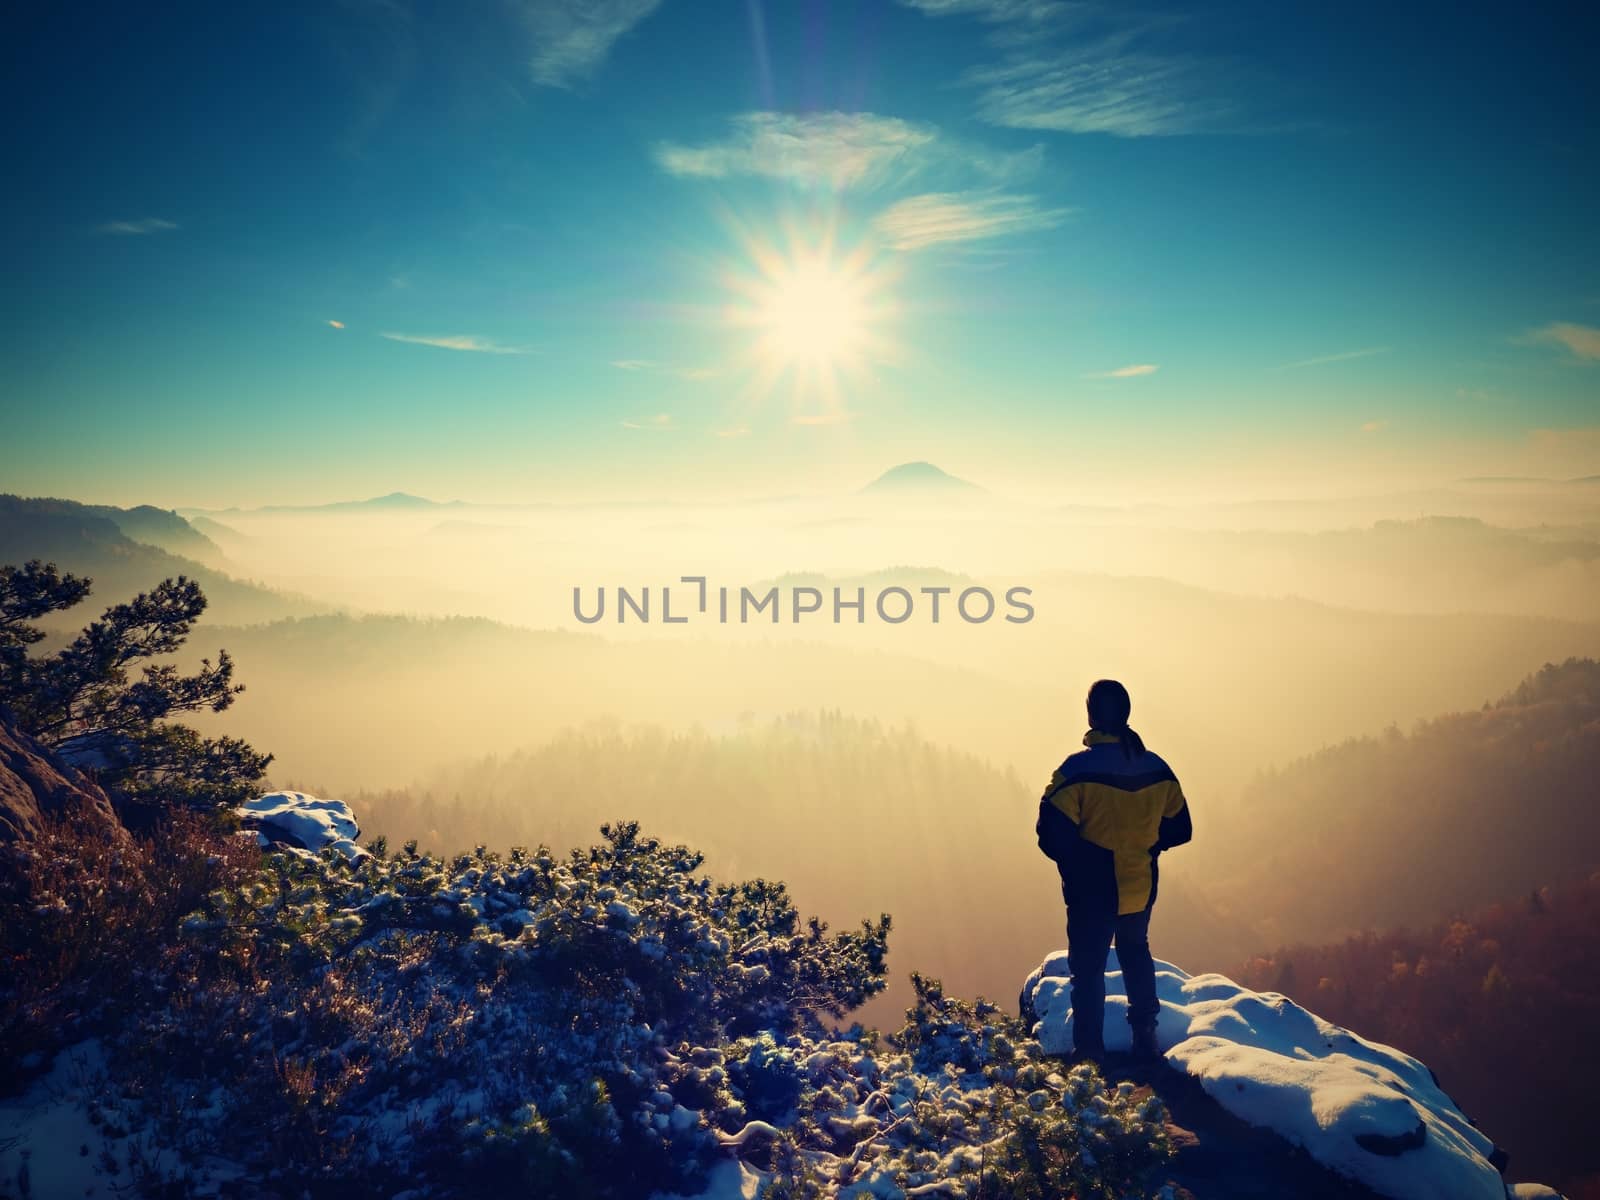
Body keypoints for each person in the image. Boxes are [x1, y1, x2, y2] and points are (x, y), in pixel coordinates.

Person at [1035, 679, 1192, 1063]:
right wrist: (1147, 847)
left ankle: (1090, 1054)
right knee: (1136, 953)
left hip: (1092, 892)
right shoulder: (1157, 769)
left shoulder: (1075, 773)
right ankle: (1146, 1040)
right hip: (1139, 885)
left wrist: (1081, 864)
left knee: (1088, 970)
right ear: (1126, 714)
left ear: (1091, 716)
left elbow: (1050, 834)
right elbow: (1181, 828)